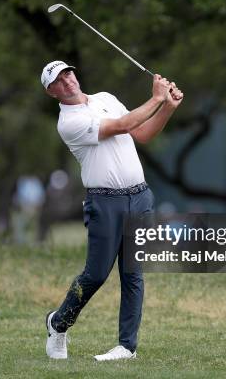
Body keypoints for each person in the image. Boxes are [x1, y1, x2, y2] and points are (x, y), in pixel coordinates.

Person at [41, 60, 183, 361]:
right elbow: (121, 125)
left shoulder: (106, 98)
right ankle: (58, 323)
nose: (67, 82)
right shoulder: (68, 123)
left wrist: (167, 107)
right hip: (105, 202)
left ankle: (127, 346)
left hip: (140, 196)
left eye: (68, 74)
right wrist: (156, 98)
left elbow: (141, 133)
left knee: (134, 274)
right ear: (51, 92)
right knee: (95, 275)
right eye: (58, 81)